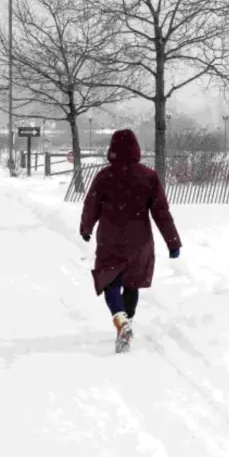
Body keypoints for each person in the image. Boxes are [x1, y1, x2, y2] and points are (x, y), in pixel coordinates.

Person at [80, 128, 182, 353]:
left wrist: (86, 227)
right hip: (139, 240)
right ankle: (128, 325)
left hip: (111, 238)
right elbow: (161, 212)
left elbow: (91, 204)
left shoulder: (105, 176)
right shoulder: (148, 176)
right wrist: (173, 242)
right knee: (132, 283)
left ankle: (120, 321)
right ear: (136, 149)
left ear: (112, 149)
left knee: (110, 281)